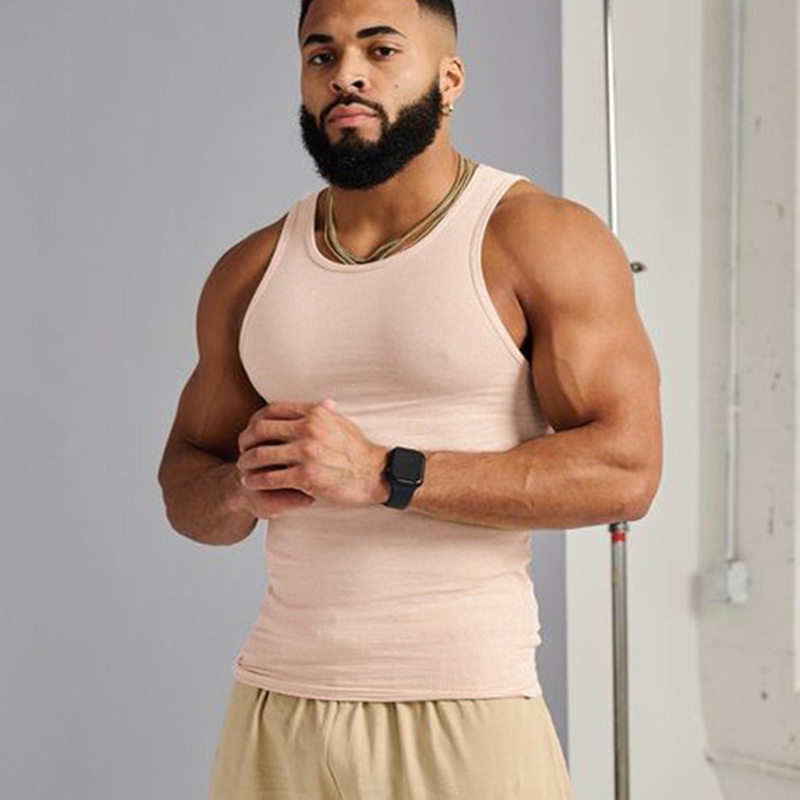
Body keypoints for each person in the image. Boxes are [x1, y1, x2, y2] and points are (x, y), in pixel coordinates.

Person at [157, 0, 663, 797]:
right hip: (275, 705)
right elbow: (185, 489)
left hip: (464, 706)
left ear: (450, 78)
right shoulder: (251, 270)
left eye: (381, 49)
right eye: (321, 55)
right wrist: (238, 488)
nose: (346, 75)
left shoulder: (537, 236)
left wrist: (382, 473)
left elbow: (626, 471)